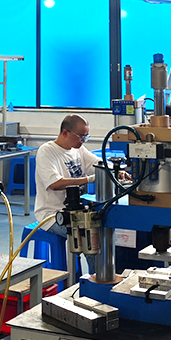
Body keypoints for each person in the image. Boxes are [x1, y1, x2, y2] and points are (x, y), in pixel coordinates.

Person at [35, 114, 100, 272]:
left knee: (107, 231)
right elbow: (55, 184)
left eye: (86, 137)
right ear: (65, 133)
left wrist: (116, 169)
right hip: (53, 215)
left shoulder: (78, 150)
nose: (83, 141)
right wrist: (88, 179)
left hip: (78, 212)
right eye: (81, 136)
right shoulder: (47, 152)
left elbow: (98, 164)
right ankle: (97, 280)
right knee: (89, 236)